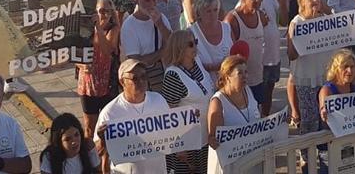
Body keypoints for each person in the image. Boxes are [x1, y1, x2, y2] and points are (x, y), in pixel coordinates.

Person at [96, 59, 169, 174]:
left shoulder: (159, 100)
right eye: (135, 78)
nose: (141, 81)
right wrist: (102, 140)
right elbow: (99, 152)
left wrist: (189, 120)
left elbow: (172, 131)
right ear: (122, 82)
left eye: (144, 76)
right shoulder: (110, 112)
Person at [158, 28, 212, 174]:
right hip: (187, 145)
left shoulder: (197, 62)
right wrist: (179, 146)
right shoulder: (173, 75)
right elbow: (169, 114)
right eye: (190, 44)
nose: (195, 47)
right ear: (179, 47)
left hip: (204, 139)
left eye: (195, 42)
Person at [286, 0, 333, 136]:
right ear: (301, 2)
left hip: (325, 78)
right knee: (310, 121)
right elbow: (291, 55)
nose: (316, 0)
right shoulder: (297, 23)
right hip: (306, 80)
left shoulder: (328, 20)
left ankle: (325, 155)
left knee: (327, 119)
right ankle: (307, 156)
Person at [76, 0, 119, 141]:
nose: (103, 15)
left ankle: (105, 160)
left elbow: (108, 50)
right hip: (87, 84)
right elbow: (73, 54)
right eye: (100, 11)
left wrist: (98, 29)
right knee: (89, 127)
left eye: (107, 12)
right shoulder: (83, 30)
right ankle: (91, 158)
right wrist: (81, 65)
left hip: (107, 85)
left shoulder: (113, 29)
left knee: (107, 127)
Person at [119, 0, 172, 91]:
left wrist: (160, 24)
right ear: (136, 0)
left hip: (164, 74)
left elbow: (173, 44)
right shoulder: (129, 26)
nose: (151, 5)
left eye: (154, 0)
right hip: (142, 80)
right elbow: (136, 61)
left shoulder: (161, 18)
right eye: (147, 1)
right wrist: (163, 51)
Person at [207, 54, 261, 150]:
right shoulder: (218, 102)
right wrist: (213, 140)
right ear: (227, 77)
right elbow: (214, 138)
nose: (245, 76)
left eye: (246, 72)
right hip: (231, 161)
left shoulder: (248, 90)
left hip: (253, 155)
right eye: (239, 73)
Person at [317, 50, 355, 132]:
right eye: (345, 66)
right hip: (332, 137)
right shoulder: (327, 90)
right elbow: (323, 111)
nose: (349, 71)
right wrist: (324, 112)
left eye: (352, 67)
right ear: (336, 69)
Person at [190, 0, 232, 84]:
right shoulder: (191, 33)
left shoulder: (226, 28)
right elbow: (187, 63)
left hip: (229, 84)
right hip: (204, 86)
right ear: (198, 13)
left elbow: (236, 53)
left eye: (215, 10)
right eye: (208, 11)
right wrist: (212, 68)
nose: (213, 14)